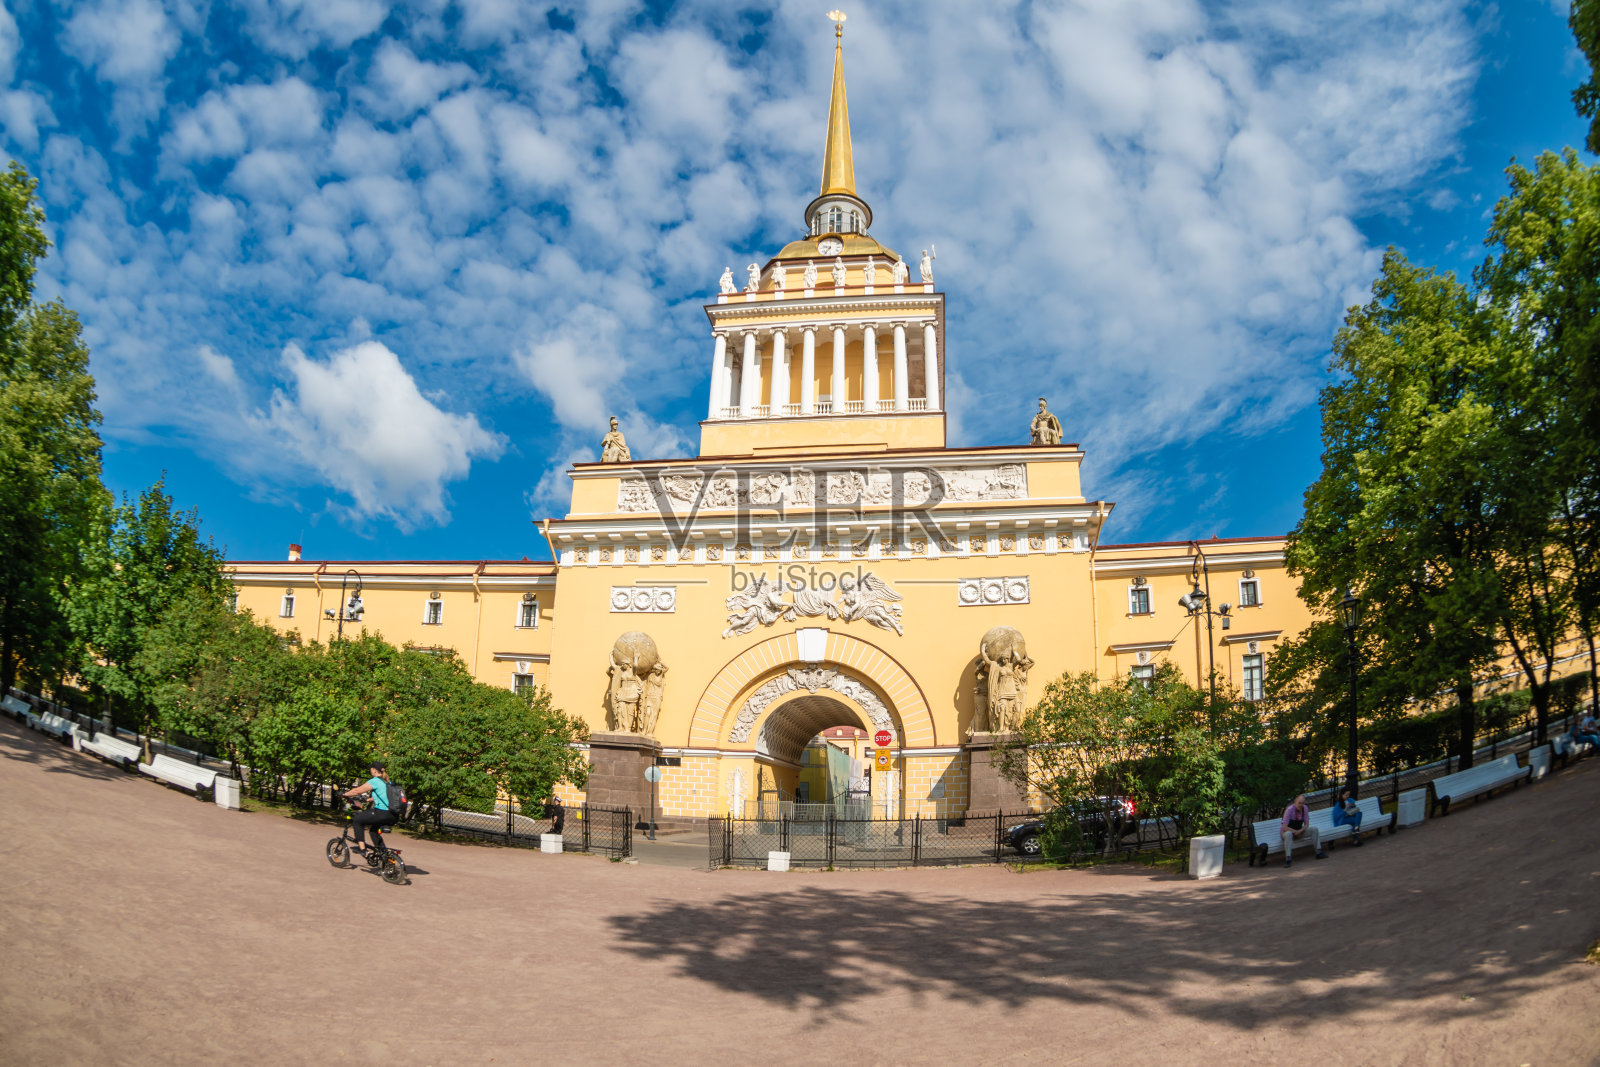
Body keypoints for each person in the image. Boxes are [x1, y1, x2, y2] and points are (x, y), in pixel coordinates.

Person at [343, 762, 399, 855]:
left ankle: (362, 849)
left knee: (357, 820)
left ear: (374, 770)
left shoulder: (375, 781)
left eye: (371, 769)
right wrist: (369, 799)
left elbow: (357, 791)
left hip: (382, 813)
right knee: (373, 831)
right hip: (393, 815)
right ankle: (383, 854)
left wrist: (344, 794)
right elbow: (385, 796)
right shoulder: (388, 782)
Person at [1279, 794, 1325, 867]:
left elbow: (1306, 824)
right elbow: (1284, 827)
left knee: (1314, 829)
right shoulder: (1289, 810)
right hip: (1287, 832)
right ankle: (1288, 859)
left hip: (1299, 831)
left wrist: (1300, 831)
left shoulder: (1305, 809)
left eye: (1302, 803)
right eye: (1299, 803)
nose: (1301, 805)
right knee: (1288, 834)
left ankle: (1319, 852)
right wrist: (1295, 832)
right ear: (1295, 802)